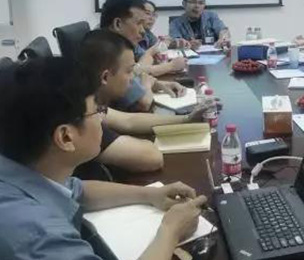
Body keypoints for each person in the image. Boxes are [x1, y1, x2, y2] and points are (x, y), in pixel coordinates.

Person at [0, 57, 207, 260]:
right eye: (97, 111)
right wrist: (171, 231)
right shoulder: (37, 236)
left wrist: (151, 195)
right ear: (65, 137)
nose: (102, 119)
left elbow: (78, 190)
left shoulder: (30, 169)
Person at [80, 29, 218, 135]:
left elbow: (128, 121)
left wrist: (188, 119)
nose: (133, 77)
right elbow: (149, 155)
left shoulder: (94, 103)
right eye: (129, 71)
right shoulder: (84, 112)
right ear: (105, 77)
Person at [100, 0, 186, 112]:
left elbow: (137, 72)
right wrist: (147, 83)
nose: (143, 31)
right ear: (118, 24)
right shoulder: (107, 52)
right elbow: (142, 103)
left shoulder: (118, 44)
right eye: (139, 23)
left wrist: (157, 84)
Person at [138, 0, 190, 78]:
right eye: (147, 14)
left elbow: (157, 47)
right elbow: (137, 71)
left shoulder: (148, 34)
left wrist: (173, 43)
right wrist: (170, 66)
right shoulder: (129, 38)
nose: (151, 18)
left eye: (154, 15)